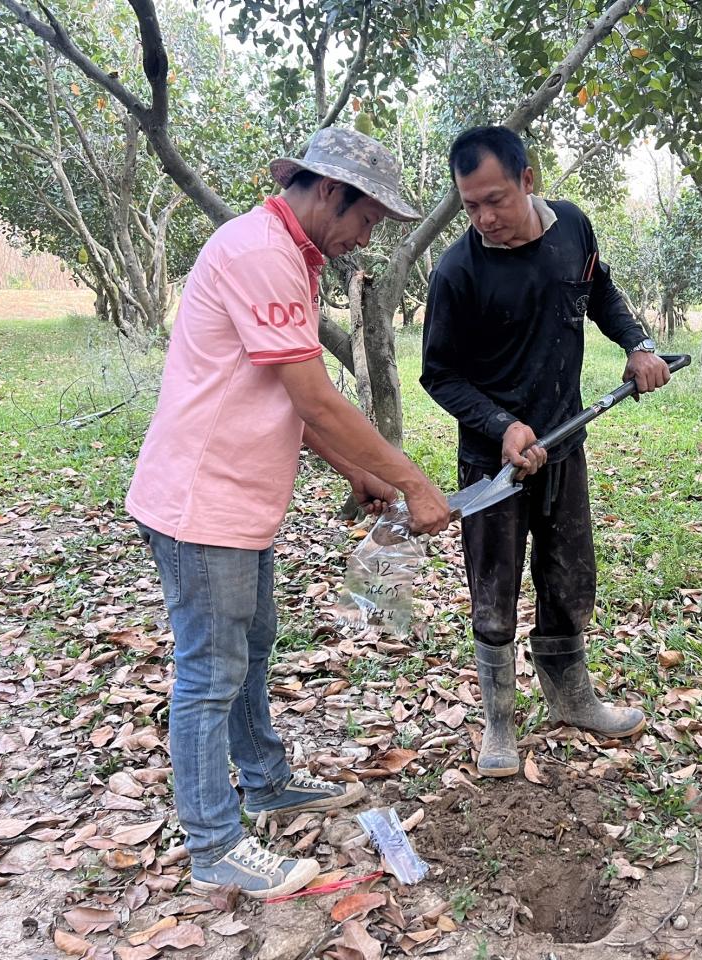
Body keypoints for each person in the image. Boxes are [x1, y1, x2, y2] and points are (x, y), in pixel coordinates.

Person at [126, 127, 450, 899]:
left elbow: (282, 395)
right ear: (329, 191)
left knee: (254, 645)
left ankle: (266, 781)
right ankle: (214, 846)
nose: (365, 237)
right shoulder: (261, 252)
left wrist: (354, 470)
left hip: (238, 502)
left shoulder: (292, 261)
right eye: (367, 219)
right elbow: (314, 394)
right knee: (210, 673)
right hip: (201, 503)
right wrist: (411, 481)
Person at [420, 126, 671, 778]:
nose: (483, 218)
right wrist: (502, 425)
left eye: (495, 199)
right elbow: (439, 374)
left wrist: (638, 345)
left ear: (528, 180)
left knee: (568, 578)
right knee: (494, 590)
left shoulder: (573, 231)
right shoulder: (458, 271)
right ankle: (499, 720)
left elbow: (601, 294)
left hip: (565, 444)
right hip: (492, 465)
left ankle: (571, 697)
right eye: (469, 205)